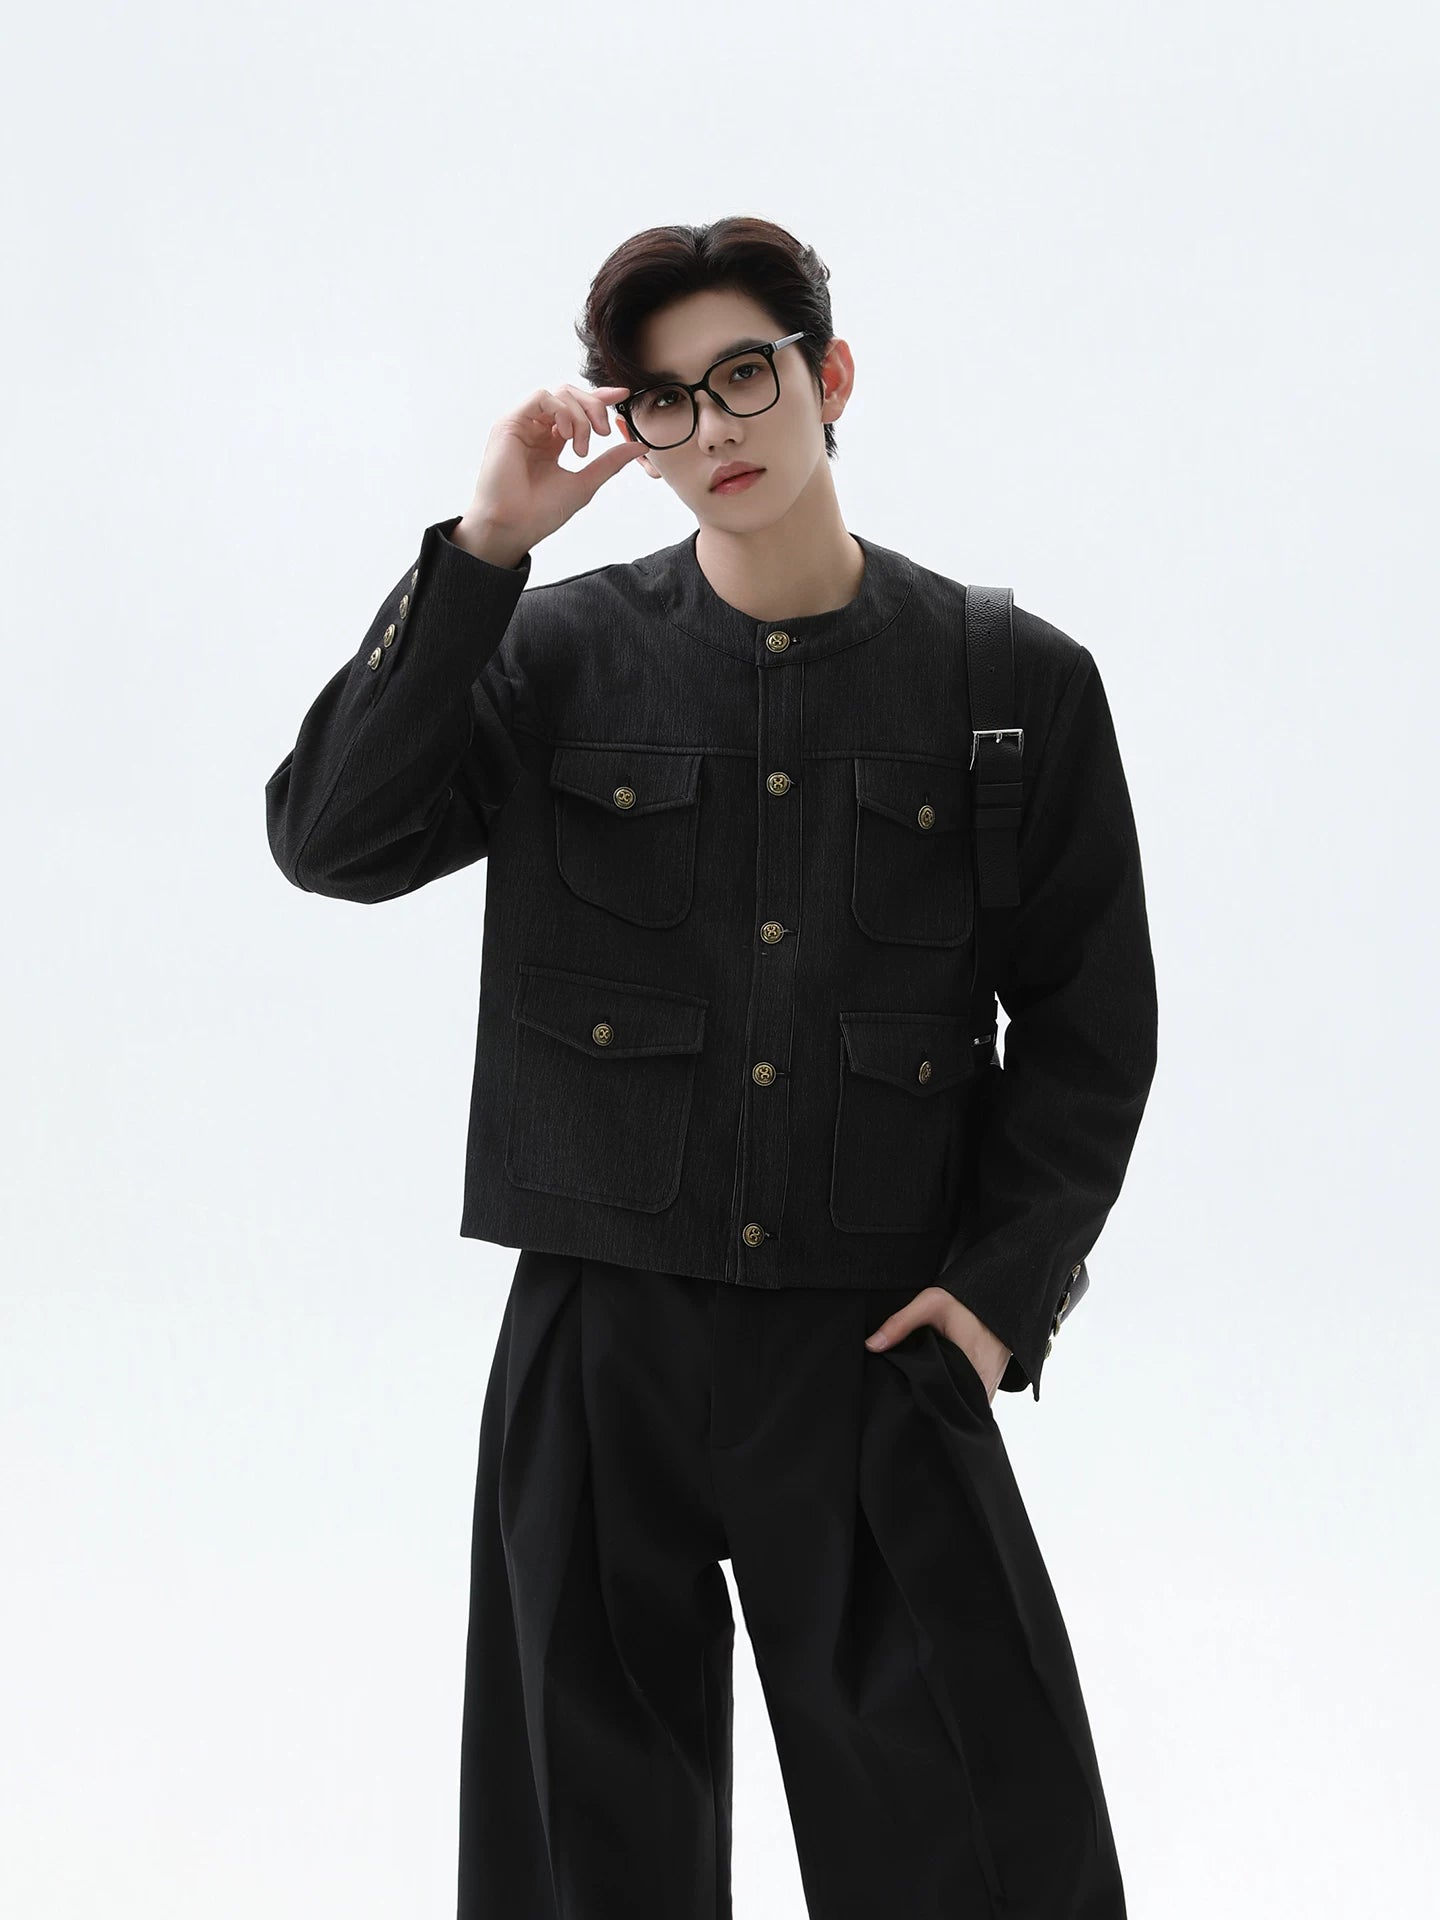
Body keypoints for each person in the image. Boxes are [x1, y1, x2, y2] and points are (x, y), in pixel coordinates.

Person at [265, 215, 1158, 1919]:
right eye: (664, 400)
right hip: (600, 1340)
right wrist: (484, 550)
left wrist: (998, 1300)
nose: (714, 427)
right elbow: (330, 840)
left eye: (745, 375)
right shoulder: (553, 654)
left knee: (978, 1845)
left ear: (832, 376)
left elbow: (1092, 1021)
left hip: (877, 1349)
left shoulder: (1013, 686)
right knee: (582, 1862)